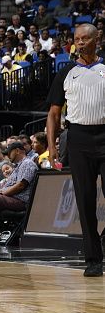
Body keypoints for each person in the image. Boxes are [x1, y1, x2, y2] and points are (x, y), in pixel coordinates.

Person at [46, 23, 105, 277]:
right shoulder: (67, 72)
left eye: (85, 38)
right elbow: (54, 113)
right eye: (76, 39)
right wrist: (52, 146)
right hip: (78, 137)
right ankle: (93, 259)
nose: (80, 43)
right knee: (85, 200)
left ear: (97, 39)